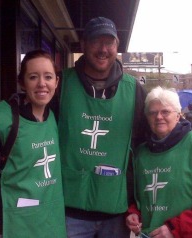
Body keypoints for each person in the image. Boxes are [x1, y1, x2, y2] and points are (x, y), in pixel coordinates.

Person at [53, 16, 148, 238]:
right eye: (96, 41)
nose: (103, 49)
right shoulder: (60, 84)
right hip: (68, 212)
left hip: (116, 213)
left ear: (117, 46)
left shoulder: (134, 90)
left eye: (110, 42)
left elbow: (150, 140)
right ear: (84, 45)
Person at [0, 50, 67, 238]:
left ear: (56, 82)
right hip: (7, 225)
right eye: (33, 77)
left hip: (48, 224)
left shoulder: (56, 115)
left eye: (48, 77)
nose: (42, 83)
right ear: (22, 82)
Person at [126, 86, 192, 237]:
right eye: (152, 113)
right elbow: (140, 197)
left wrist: (174, 228)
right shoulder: (140, 153)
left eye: (165, 111)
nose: (158, 117)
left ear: (178, 116)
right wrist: (134, 213)